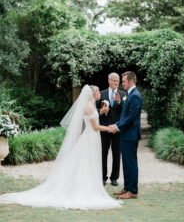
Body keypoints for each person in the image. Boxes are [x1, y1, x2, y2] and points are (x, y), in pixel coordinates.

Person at [0, 85, 122, 210]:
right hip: (90, 136)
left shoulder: (90, 106)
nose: (100, 94)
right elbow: (95, 127)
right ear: (94, 94)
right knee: (87, 162)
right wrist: (109, 128)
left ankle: (85, 186)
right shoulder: (89, 107)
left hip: (90, 137)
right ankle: (85, 189)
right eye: (98, 93)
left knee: (87, 162)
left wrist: (102, 113)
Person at [109, 71, 143, 199]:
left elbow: (131, 117)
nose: (121, 83)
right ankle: (127, 188)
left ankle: (133, 191)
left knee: (131, 163)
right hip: (126, 134)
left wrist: (117, 127)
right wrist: (116, 124)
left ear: (131, 81)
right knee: (126, 163)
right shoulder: (129, 94)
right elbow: (124, 115)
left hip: (131, 135)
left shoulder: (135, 96)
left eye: (123, 81)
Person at [96, 73, 125, 186]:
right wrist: (101, 112)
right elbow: (94, 110)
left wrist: (119, 101)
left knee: (117, 154)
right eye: (114, 80)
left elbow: (125, 111)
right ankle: (103, 177)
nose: (116, 83)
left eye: (118, 81)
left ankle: (114, 178)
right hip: (104, 129)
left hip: (117, 130)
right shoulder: (101, 94)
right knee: (103, 154)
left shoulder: (123, 94)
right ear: (109, 81)